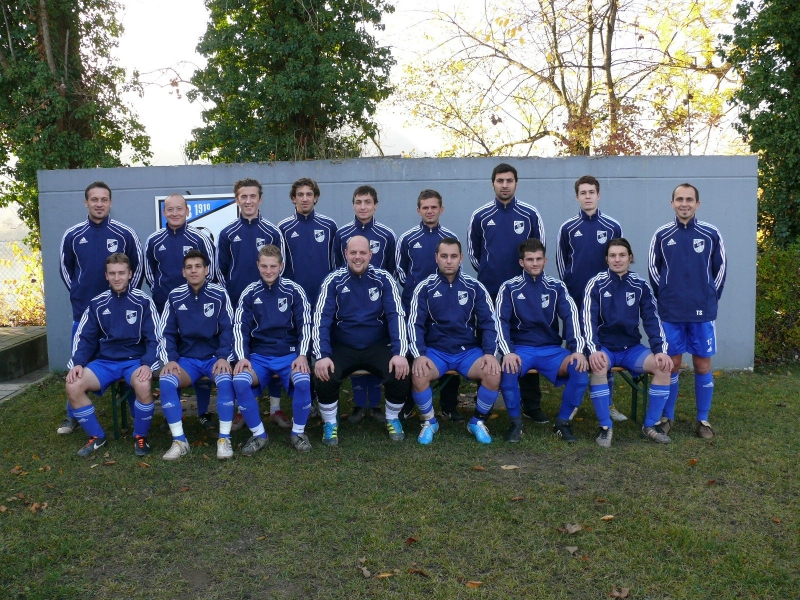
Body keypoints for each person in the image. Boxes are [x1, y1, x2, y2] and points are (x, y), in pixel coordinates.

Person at [58, 181, 143, 435]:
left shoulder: (124, 234)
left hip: (119, 316)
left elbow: (136, 269)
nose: (99, 204)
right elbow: (66, 270)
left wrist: (123, 299)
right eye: (94, 199)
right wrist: (79, 295)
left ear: (110, 203)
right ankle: (71, 415)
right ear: (86, 202)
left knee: (127, 360)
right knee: (78, 365)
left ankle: (135, 410)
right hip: (83, 314)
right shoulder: (73, 235)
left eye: (104, 199)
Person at [468, 163, 547, 424]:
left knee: (525, 341)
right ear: (493, 183)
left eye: (509, 180)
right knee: (488, 343)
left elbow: (538, 249)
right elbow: (474, 255)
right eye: (500, 180)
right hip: (490, 292)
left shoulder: (529, 214)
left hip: (523, 292)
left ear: (516, 183)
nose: (505, 185)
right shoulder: (480, 215)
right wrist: (491, 274)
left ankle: (531, 403)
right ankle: (486, 401)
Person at [312, 236, 410, 446]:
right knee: (323, 374)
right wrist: (322, 355)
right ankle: (330, 423)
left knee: (401, 372)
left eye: (363, 253)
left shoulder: (384, 279)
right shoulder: (333, 281)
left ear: (370, 255)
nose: (358, 257)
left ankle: (392, 417)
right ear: (346, 254)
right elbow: (321, 318)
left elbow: (396, 315)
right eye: (353, 253)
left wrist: (400, 352)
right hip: (343, 346)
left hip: (376, 345)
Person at [648, 183, 726, 439]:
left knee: (703, 365)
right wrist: (666, 298)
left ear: (697, 204)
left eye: (689, 199)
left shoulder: (711, 233)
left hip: (702, 313)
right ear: (672, 203)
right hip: (671, 313)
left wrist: (708, 299)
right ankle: (667, 417)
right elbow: (653, 271)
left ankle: (703, 419)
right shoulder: (661, 234)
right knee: (672, 364)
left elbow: (720, 270)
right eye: (679, 199)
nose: (684, 204)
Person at [65, 253, 160, 457]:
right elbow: (85, 338)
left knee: (143, 384)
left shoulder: (143, 301)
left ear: (130, 274)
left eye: (121, 273)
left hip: (134, 361)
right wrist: (79, 363)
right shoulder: (97, 303)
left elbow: (154, 338)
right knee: (73, 385)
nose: (117, 278)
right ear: (106, 276)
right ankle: (97, 437)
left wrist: (147, 364)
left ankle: (141, 436)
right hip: (105, 362)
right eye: (112, 273)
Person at [408, 238, 500, 445]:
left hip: (468, 352)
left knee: (493, 373)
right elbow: (415, 324)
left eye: (453, 256)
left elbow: (488, 322)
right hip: (436, 351)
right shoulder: (424, 288)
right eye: (444, 256)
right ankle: (430, 422)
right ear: (436, 258)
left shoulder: (475, 287)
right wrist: (419, 355)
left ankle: (477, 422)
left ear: (461, 258)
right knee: (418, 373)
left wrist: (489, 353)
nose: (448, 261)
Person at [497, 239, 589, 444]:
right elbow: (500, 321)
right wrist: (508, 351)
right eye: (530, 259)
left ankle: (563, 423)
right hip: (521, 349)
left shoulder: (557, 287)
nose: (535, 263)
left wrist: (577, 349)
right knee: (509, 369)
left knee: (580, 369)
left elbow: (571, 316)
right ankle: (515, 424)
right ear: (522, 262)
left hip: (551, 350)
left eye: (538, 259)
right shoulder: (509, 288)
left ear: (545, 260)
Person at [584, 238, 673, 446]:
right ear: (606, 259)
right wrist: (594, 349)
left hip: (631, 349)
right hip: (604, 347)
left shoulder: (640, 285)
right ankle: (605, 426)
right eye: (613, 256)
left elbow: (652, 319)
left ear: (630, 258)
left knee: (663, 367)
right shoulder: (595, 284)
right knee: (598, 367)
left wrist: (660, 350)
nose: (617, 260)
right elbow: (587, 320)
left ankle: (650, 425)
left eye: (622, 255)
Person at [145, 193, 219, 432]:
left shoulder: (200, 238)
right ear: (163, 213)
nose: (175, 213)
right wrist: (162, 296)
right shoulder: (154, 240)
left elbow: (213, 271)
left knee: (199, 354)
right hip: (166, 309)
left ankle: (204, 411)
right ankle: (172, 414)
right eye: (170, 209)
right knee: (173, 359)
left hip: (198, 309)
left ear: (188, 211)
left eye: (179, 209)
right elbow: (149, 273)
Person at [556, 175, 627, 422]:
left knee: (601, 349)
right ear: (577, 197)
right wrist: (570, 289)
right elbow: (562, 263)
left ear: (598, 195)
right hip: (575, 299)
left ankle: (607, 405)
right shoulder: (567, 228)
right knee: (576, 349)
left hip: (604, 300)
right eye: (583, 192)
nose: (587, 196)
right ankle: (571, 404)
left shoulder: (612, 226)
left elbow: (619, 262)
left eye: (591, 192)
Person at [232, 245, 314, 454]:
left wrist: (303, 355)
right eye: (264, 266)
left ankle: (298, 432)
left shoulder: (294, 291)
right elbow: (240, 328)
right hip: (259, 357)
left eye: (273, 266)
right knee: (240, 381)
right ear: (257, 265)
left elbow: (306, 325)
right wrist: (242, 357)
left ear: (281, 266)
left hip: (288, 355)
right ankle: (259, 435)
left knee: (303, 380)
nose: (269, 271)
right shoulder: (249, 293)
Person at [218, 178, 285, 431]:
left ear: (260, 199)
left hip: (267, 304)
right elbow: (220, 271)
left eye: (252, 196)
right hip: (238, 305)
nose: (248, 201)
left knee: (272, 351)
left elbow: (281, 266)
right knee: (244, 355)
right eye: (243, 196)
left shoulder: (272, 232)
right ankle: (244, 409)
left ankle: (275, 408)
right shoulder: (227, 233)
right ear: (237, 199)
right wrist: (231, 300)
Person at [157, 250, 237, 460]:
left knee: (226, 380)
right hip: (187, 360)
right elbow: (166, 331)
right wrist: (171, 359)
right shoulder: (175, 296)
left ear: (206, 270)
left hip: (213, 358)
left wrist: (223, 357)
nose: (194, 271)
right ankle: (179, 440)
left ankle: (224, 439)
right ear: (184, 272)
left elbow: (229, 328)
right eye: (189, 267)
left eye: (198, 266)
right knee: (166, 381)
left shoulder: (219, 294)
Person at [395, 190, 463, 422]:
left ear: (441, 209)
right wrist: (417, 292)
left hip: (444, 308)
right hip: (413, 307)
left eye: (434, 207)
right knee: (412, 352)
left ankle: (449, 405)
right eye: (425, 207)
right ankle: (407, 403)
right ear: (418, 210)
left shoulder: (449, 238)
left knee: (451, 347)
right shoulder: (407, 238)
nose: (430, 211)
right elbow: (400, 270)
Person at [332, 185, 397, 422]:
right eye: (358, 202)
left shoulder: (387, 234)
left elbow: (391, 269)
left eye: (367, 202)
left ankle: (377, 404)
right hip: (350, 299)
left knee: (376, 345)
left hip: (376, 302)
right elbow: (338, 266)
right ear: (353, 204)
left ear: (375, 205)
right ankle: (360, 404)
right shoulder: (341, 234)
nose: (363, 206)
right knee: (354, 343)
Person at [277, 177, 337, 424]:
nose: (304, 198)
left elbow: (336, 266)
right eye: (299, 194)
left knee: (322, 349)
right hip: (295, 303)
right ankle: (307, 400)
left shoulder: (330, 226)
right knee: (301, 350)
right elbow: (279, 267)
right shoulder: (282, 228)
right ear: (293, 198)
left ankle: (326, 401)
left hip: (322, 301)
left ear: (316, 197)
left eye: (309, 194)